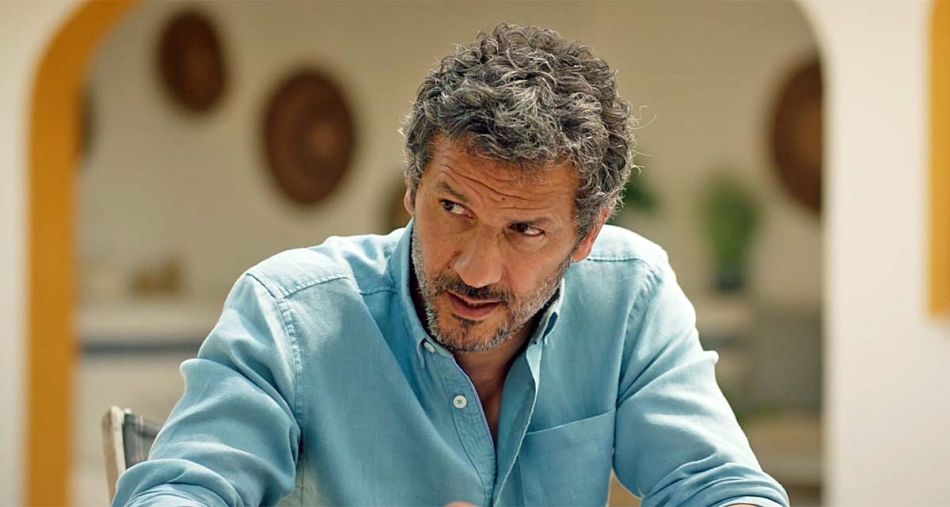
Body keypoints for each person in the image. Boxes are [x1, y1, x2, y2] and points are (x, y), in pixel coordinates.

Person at [114, 24, 789, 507]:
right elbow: (179, 492)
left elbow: (722, 487)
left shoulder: (631, 295)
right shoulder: (287, 312)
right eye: (454, 209)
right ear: (412, 189)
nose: (475, 269)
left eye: (525, 230)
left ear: (587, 234)